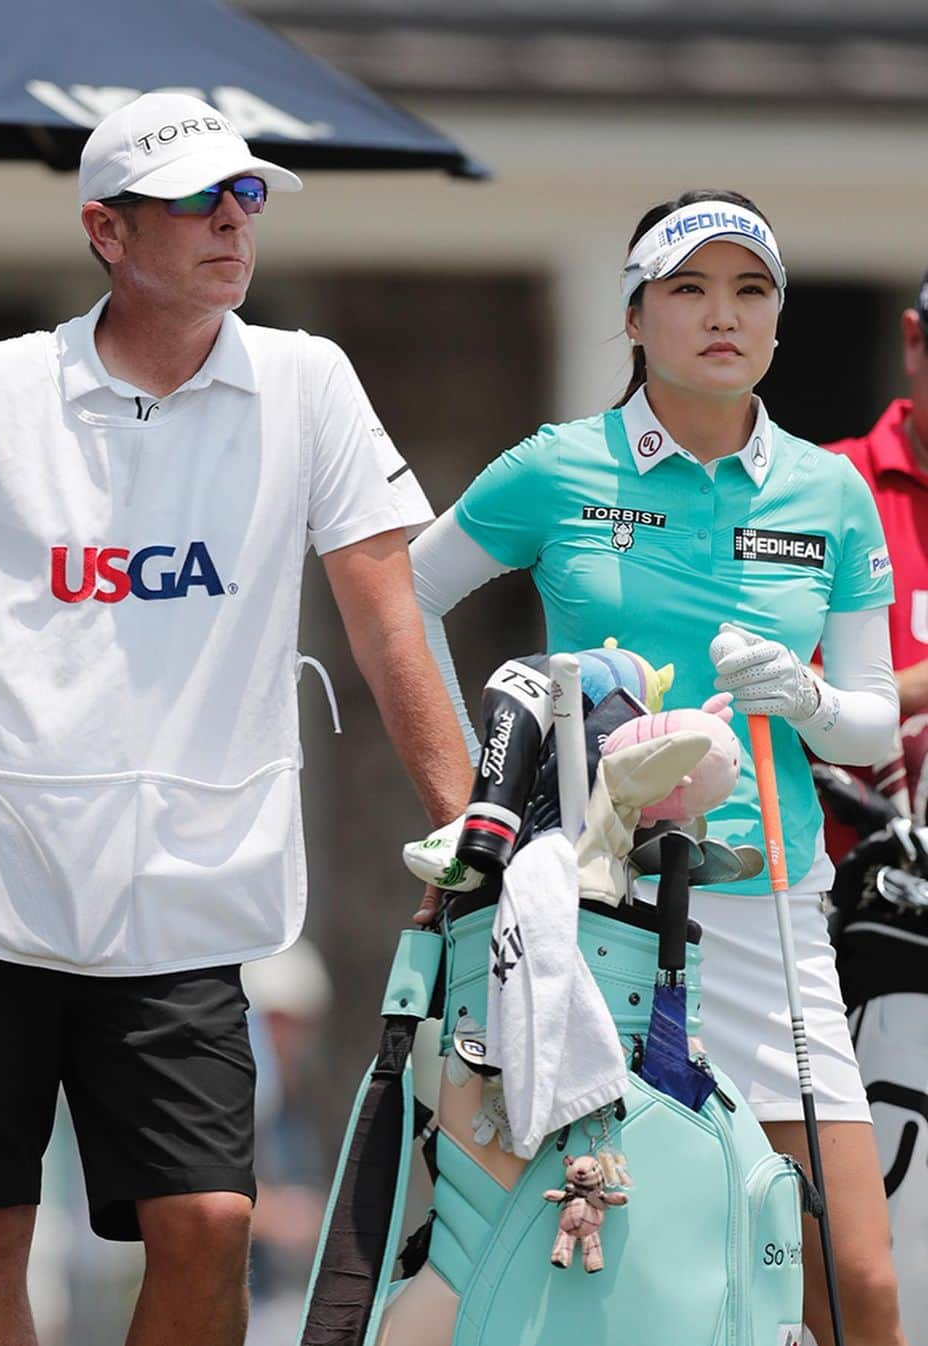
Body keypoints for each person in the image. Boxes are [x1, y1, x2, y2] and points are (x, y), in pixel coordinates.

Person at [0, 92, 472, 1346]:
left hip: (184, 884)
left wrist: (470, 826)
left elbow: (388, 620)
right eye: (199, 201)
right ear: (107, 231)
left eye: (247, 197)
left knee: (210, 1223)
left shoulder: (310, 382)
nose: (236, 223)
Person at [409, 190, 904, 1346]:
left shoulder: (828, 490)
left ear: (779, 318)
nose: (721, 315)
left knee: (856, 1281)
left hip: (765, 914)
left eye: (749, 290)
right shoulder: (558, 465)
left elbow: (873, 722)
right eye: (687, 289)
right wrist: (478, 788)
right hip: (588, 907)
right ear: (634, 316)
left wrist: (810, 694)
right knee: (584, 1265)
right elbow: (404, 599)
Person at [821, 277, 928, 839]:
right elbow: (739, 676)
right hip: (846, 901)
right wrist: (903, 691)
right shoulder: (820, 488)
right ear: (914, 341)